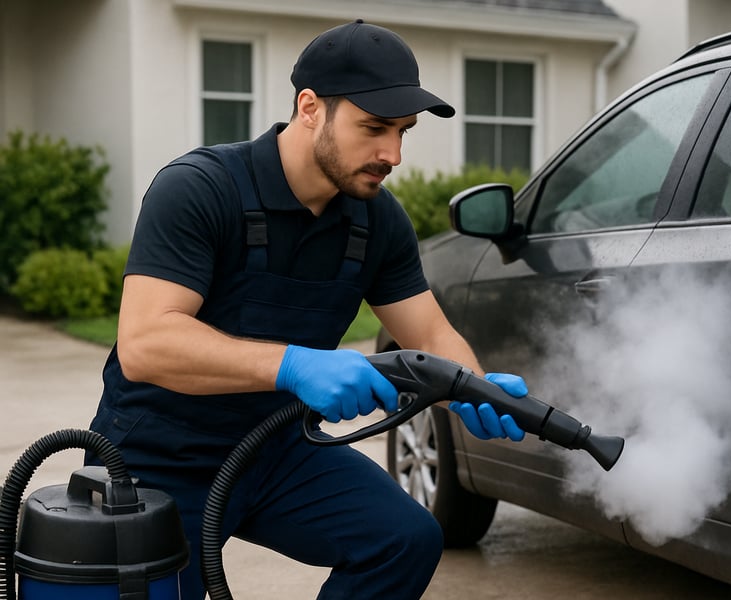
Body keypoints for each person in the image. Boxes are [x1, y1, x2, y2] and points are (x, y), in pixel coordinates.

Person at [86, 18, 528, 600]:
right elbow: (145, 344)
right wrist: (296, 365)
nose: (391, 153)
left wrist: (471, 385)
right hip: (155, 459)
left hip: (280, 454)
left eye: (403, 131)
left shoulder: (377, 220)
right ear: (310, 106)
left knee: (405, 539)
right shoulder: (199, 189)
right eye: (374, 128)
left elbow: (429, 330)